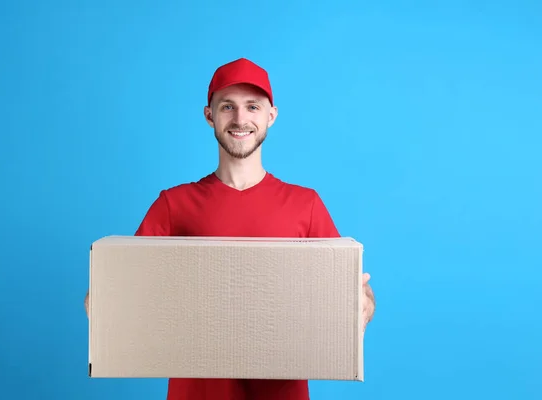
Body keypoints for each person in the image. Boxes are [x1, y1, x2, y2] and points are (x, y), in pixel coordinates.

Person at [84, 57, 376, 400]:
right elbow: (120, 294)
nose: (240, 119)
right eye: (227, 107)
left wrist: (363, 304)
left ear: (271, 116)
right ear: (210, 116)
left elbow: (352, 294)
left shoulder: (305, 204)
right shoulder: (174, 204)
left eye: (253, 106)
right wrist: (102, 303)